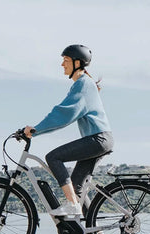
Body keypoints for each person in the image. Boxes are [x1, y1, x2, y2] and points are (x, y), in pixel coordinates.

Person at [24, 44, 114, 216]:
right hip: (100, 139)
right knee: (77, 185)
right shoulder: (83, 84)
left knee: (53, 157)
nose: (62, 64)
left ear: (77, 63)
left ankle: (72, 204)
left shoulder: (83, 84)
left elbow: (63, 113)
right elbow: (64, 114)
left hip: (98, 139)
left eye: (65, 60)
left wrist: (35, 130)